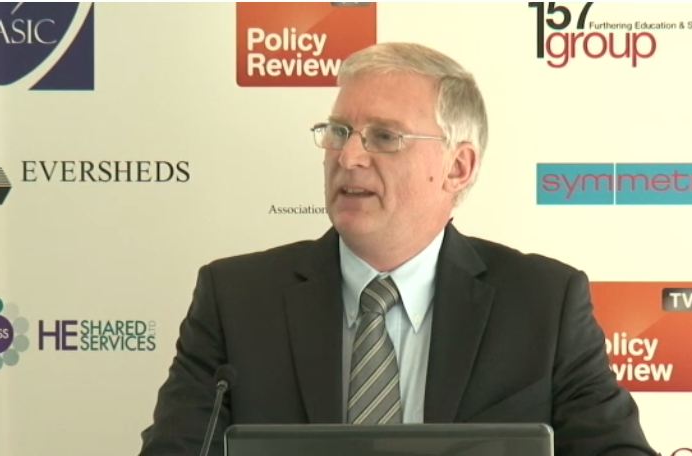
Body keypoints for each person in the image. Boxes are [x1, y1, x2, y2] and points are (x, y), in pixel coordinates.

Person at [140, 42, 655, 456]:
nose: (349, 156)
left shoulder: (544, 303)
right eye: (339, 132)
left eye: (384, 137)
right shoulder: (237, 299)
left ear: (458, 167)